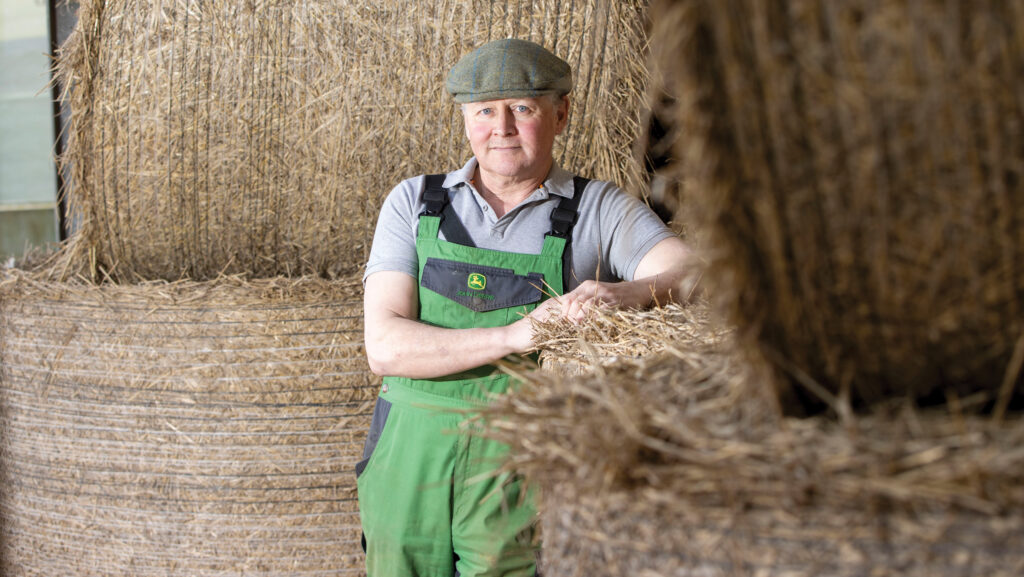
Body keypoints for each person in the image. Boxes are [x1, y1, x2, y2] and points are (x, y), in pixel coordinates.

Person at [357, 38, 693, 577]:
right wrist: (519, 335)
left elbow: (696, 274)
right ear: (466, 119)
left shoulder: (596, 210)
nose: (502, 128)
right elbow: (385, 346)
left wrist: (621, 293)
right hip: (406, 453)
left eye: (522, 109)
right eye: (485, 111)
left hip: (520, 458)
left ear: (560, 114)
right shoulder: (415, 203)